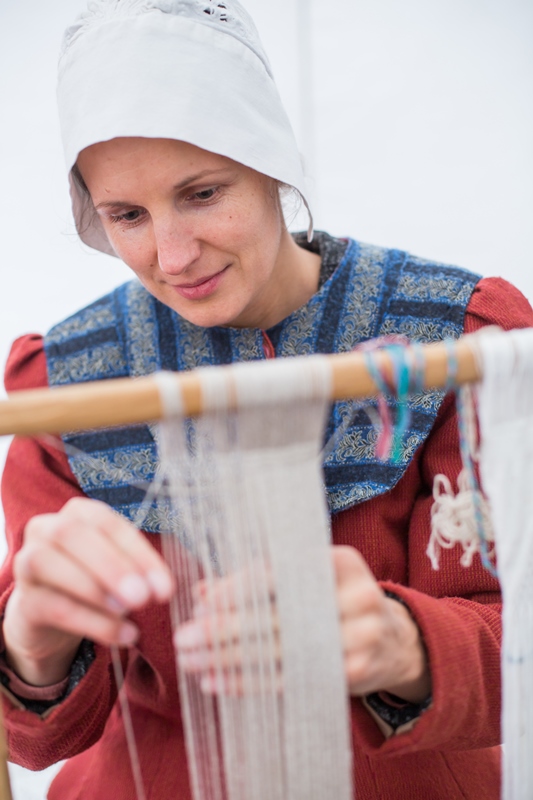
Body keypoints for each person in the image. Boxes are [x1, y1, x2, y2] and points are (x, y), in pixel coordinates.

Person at [0, 1, 532, 798]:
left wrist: (402, 643)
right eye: (126, 215)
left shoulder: (457, 343)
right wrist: (28, 645)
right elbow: (40, 737)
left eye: (204, 193)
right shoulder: (66, 391)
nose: (172, 255)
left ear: (272, 163)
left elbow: (515, 649)